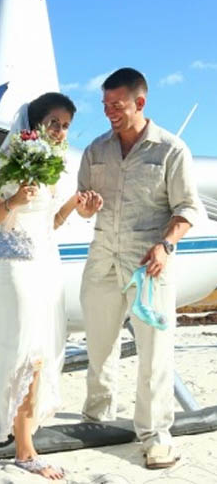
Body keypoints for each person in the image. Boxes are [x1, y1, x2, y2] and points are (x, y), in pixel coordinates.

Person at [0, 92, 101, 480]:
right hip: (14, 265)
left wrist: (75, 207)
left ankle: (22, 429)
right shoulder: (13, 159)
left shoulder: (53, 165)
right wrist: (15, 198)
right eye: (54, 122)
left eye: (66, 125)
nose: (60, 131)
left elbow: (49, 223)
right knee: (26, 349)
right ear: (36, 124)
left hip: (46, 264)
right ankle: (23, 448)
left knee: (44, 349)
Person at [76, 68, 201, 469]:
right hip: (102, 260)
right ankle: (96, 419)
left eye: (117, 104)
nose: (109, 111)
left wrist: (166, 245)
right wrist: (85, 207)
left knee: (155, 352)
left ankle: (155, 434)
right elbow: (82, 204)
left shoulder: (171, 149)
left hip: (150, 265)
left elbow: (187, 209)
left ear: (139, 103)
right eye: (105, 105)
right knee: (98, 344)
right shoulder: (95, 150)